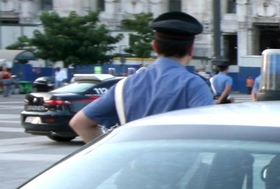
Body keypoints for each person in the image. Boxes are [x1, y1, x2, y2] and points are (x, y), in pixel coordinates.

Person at [69, 12, 215, 143]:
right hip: (182, 171)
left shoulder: (124, 85)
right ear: (191, 49)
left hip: (134, 170)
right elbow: (211, 131)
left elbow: (80, 123)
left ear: (155, 47)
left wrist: (112, 154)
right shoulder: (194, 85)